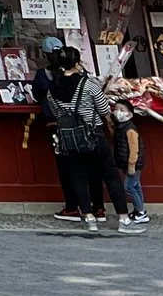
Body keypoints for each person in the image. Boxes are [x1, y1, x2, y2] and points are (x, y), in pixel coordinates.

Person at [43, 47, 123, 230]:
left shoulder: (52, 88)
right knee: (109, 174)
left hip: (70, 136)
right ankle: (122, 217)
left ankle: (88, 217)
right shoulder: (88, 84)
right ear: (77, 63)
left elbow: (56, 112)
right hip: (93, 132)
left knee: (77, 175)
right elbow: (103, 109)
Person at [111, 102, 151, 227]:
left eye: (122, 109)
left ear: (129, 114)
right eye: (116, 109)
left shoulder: (130, 129)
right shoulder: (120, 127)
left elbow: (134, 148)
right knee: (136, 186)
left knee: (129, 187)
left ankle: (140, 212)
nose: (118, 112)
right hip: (126, 162)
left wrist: (131, 164)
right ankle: (139, 210)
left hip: (133, 163)